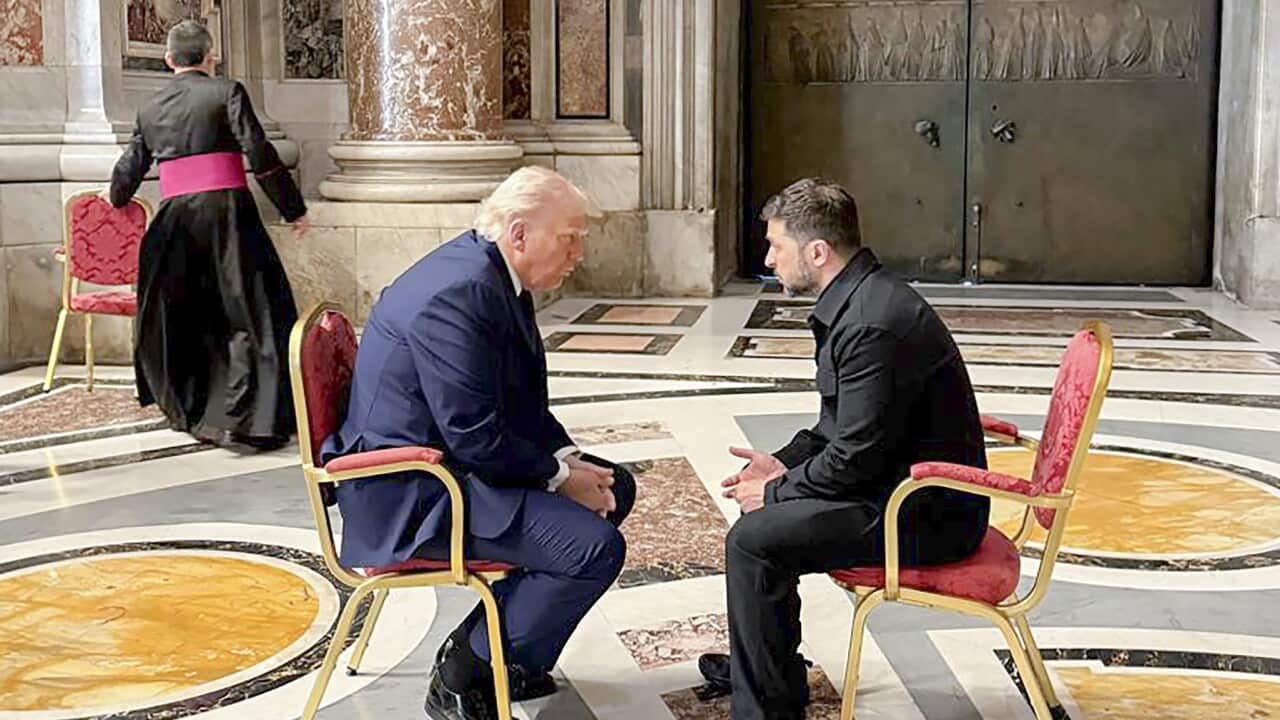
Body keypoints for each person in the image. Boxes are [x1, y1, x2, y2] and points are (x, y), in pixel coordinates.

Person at [320, 166, 636, 720]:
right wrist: (559, 478)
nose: (579, 252)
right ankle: (465, 669)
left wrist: (566, 460)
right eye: (570, 237)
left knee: (617, 487)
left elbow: (516, 401)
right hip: (412, 492)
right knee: (593, 549)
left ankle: (512, 652)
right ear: (519, 233)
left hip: (452, 464)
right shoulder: (459, 292)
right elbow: (474, 432)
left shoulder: (492, 273)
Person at [699, 179, 991, 720]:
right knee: (764, 527)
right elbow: (838, 429)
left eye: (776, 247)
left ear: (817, 252)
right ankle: (767, 675)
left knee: (754, 541)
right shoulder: (860, 301)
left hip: (926, 511)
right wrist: (781, 465)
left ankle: (766, 704)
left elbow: (855, 456)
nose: (768, 258)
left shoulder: (871, 323)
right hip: (897, 486)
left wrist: (778, 490)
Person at [108, 20, 308, 450]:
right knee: (252, 312)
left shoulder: (149, 108)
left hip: (176, 220)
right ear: (210, 55)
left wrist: (117, 199)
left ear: (168, 60)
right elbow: (259, 152)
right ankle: (254, 417)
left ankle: (198, 411)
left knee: (189, 316)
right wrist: (293, 208)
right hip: (229, 214)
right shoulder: (226, 91)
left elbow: (129, 168)